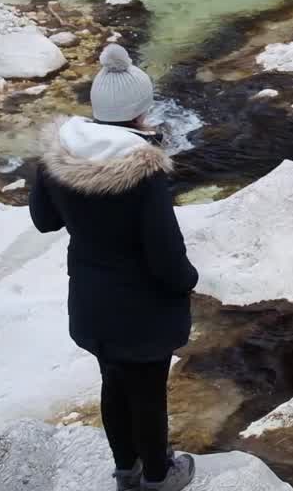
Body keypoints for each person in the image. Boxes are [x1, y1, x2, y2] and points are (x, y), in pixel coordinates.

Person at [29, 44, 199, 491]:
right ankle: (161, 475)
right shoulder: (144, 172)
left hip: (90, 300)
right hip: (141, 310)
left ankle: (127, 472)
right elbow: (166, 257)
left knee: (112, 384)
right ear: (141, 114)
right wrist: (189, 282)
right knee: (147, 394)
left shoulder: (59, 153)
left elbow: (45, 220)